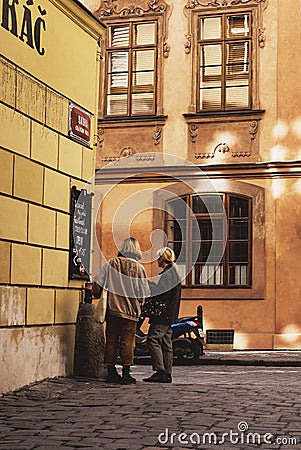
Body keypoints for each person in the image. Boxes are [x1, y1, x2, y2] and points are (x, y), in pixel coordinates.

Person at [93, 237, 149, 384]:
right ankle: (126, 373)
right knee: (128, 342)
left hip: (112, 310)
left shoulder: (112, 263)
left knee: (111, 341)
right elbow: (143, 292)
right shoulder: (139, 268)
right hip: (130, 312)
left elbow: (98, 283)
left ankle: (110, 371)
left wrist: (96, 294)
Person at [142, 247, 181, 383]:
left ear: (162, 258)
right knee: (166, 343)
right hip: (169, 314)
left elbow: (162, 293)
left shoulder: (168, 273)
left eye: (158, 258)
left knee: (153, 339)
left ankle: (160, 371)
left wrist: (149, 284)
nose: (156, 261)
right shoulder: (174, 271)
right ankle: (167, 373)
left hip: (162, 314)